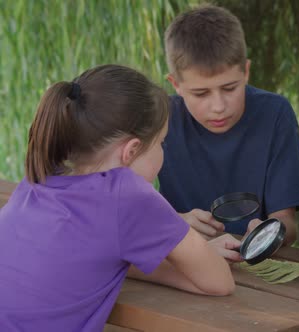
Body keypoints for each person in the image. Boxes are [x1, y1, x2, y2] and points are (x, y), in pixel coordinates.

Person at [0, 64, 241, 331]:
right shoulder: (126, 194)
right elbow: (220, 282)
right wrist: (199, 260)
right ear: (132, 150)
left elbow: (107, 256)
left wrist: (187, 258)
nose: (163, 152)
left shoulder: (42, 174)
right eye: (161, 142)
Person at [158, 4, 299, 244]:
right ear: (175, 84)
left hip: (254, 264)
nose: (218, 106)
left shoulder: (275, 114)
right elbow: (128, 214)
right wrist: (176, 222)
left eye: (229, 88)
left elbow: (287, 223)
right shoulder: (159, 120)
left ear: (246, 71)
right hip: (182, 260)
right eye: (200, 93)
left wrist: (267, 234)